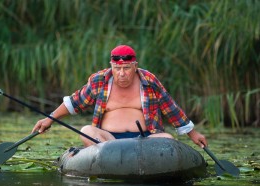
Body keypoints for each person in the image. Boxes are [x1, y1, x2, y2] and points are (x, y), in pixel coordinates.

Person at [32, 45, 207, 148]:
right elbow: (75, 102)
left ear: (135, 66)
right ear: (112, 66)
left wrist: (192, 133)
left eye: (127, 68)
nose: (121, 73)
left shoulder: (149, 80)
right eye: (117, 68)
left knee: (167, 140)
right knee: (86, 131)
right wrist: (50, 118)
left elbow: (170, 108)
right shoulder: (100, 80)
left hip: (144, 141)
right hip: (108, 142)